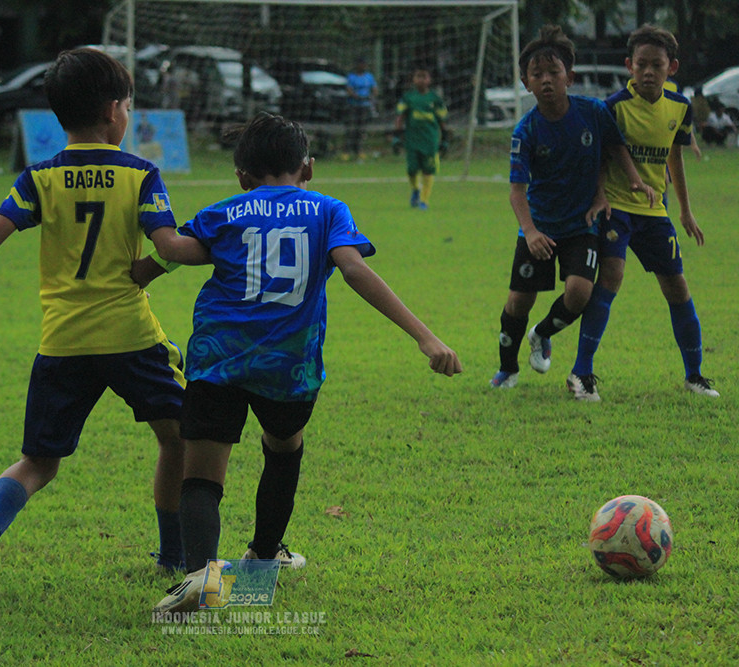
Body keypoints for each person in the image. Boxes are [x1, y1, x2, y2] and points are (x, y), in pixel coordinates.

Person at [0, 48, 210, 602]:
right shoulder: (140, 174)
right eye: (127, 105)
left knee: (38, 461)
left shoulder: (42, 176)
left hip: (63, 341)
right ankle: (173, 555)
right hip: (131, 338)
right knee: (178, 438)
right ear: (112, 112)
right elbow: (168, 246)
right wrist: (207, 244)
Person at [138, 112, 462, 614]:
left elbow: (173, 249)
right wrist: (425, 337)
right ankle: (263, 560)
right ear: (307, 169)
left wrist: (150, 227)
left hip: (217, 358)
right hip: (289, 367)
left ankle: (201, 579)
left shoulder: (226, 211)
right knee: (284, 448)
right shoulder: (329, 210)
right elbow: (355, 270)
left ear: (242, 177)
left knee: (202, 475)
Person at [491, 26, 656, 390]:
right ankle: (507, 369)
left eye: (554, 72)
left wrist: (627, 183)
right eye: (537, 74)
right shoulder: (525, 131)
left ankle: (542, 333)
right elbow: (517, 192)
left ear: (571, 76)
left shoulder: (593, 113)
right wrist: (531, 232)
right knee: (518, 301)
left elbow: (614, 149)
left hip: (582, 224)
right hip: (541, 227)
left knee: (580, 293)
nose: (546, 80)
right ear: (525, 82)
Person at [567, 25, 719, 401]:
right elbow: (600, 157)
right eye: (641, 64)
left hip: (654, 211)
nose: (649, 71)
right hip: (617, 206)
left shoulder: (680, 107)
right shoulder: (614, 107)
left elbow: (675, 156)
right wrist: (600, 195)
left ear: (672, 67)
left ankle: (695, 375)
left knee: (677, 286)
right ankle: (581, 374)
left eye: (657, 64)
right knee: (612, 277)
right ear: (629, 66)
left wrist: (685, 210)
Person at [394, 64, 448, 210]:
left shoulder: (435, 99)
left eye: (424, 77)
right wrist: (396, 136)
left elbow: (442, 119)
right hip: (412, 140)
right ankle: (415, 190)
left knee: (428, 170)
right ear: (413, 79)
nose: (421, 80)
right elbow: (400, 116)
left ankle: (424, 200)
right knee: (411, 170)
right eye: (418, 76)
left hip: (430, 140)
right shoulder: (408, 97)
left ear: (429, 80)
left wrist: (445, 138)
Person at [344, 58, 377, 160]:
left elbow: (375, 89)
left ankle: (359, 151)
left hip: (365, 106)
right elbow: (348, 89)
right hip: (353, 105)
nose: (363, 66)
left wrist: (370, 97)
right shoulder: (351, 76)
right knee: (351, 128)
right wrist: (355, 96)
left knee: (362, 129)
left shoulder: (369, 76)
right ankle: (347, 151)